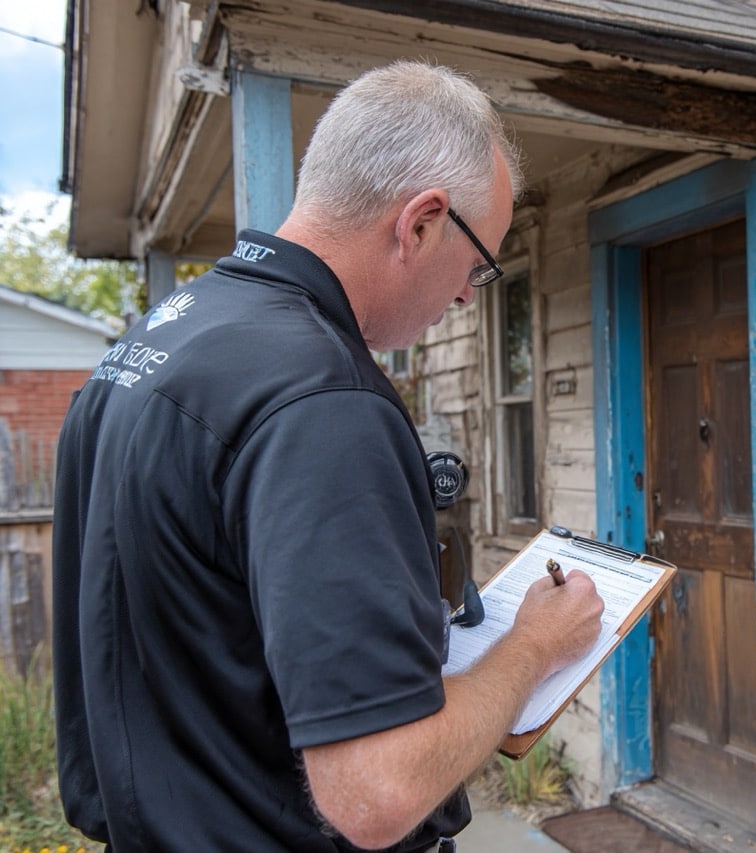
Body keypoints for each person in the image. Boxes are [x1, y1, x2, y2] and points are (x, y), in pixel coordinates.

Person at [52, 61, 604, 852]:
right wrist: (535, 646)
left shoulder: (157, 339)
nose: (466, 295)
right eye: (478, 263)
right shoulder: (324, 403)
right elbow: (375, 792)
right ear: (422, 223)